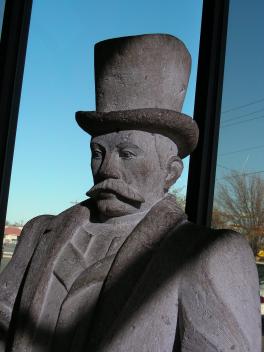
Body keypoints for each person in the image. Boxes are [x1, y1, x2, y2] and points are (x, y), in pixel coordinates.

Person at [0, 34, 261, 352]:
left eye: (127, 153)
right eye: (98, 152)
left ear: (171, 172)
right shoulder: (39, 234)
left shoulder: (207, 255)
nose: (106, 168)